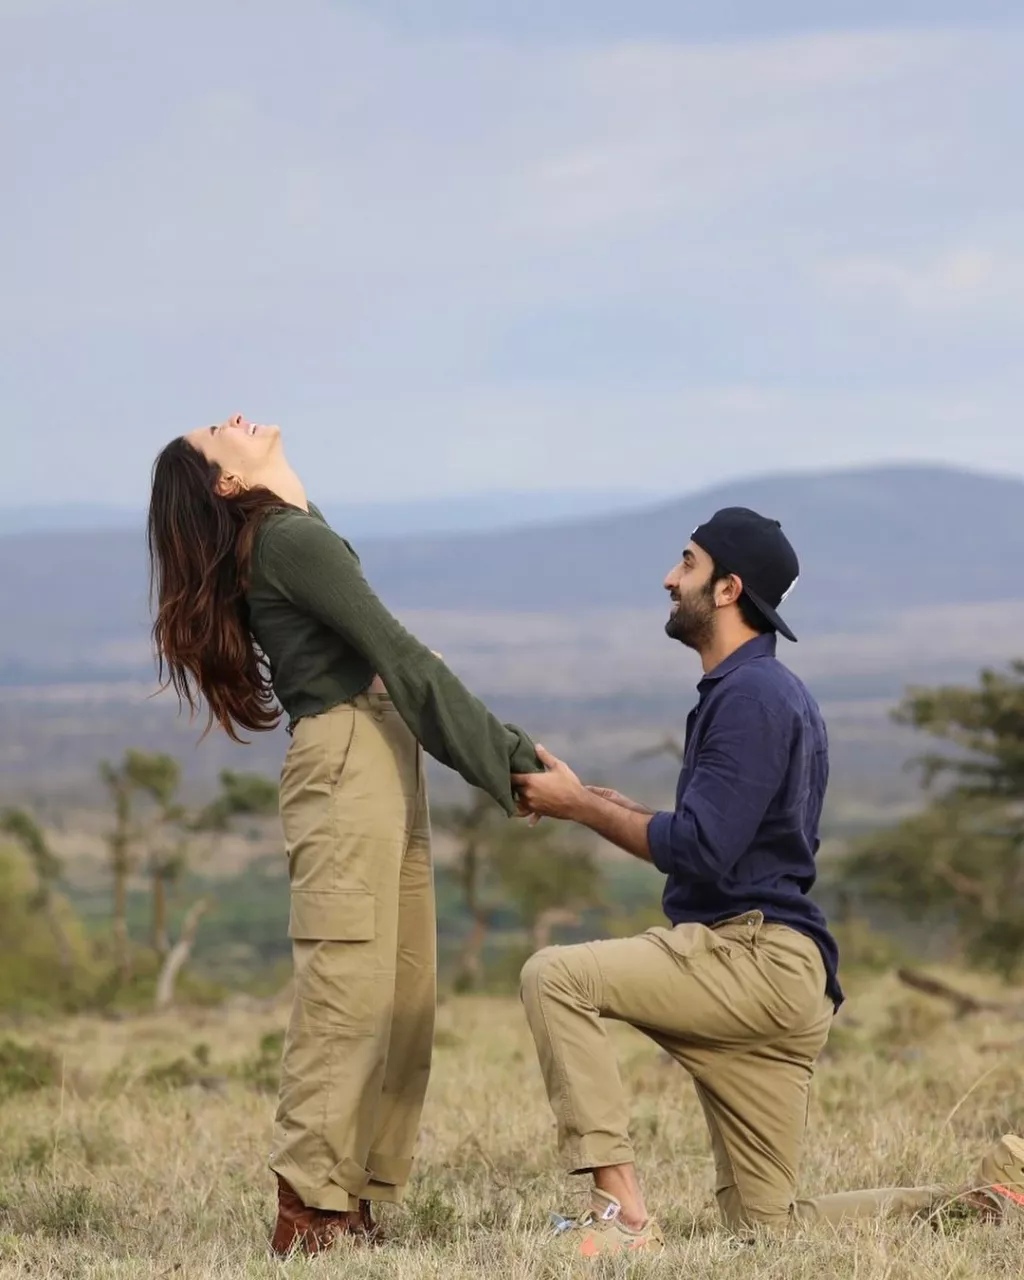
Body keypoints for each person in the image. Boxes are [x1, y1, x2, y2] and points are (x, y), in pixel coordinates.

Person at [513, 506, 1024, 1258]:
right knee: (768, 1232)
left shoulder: (751, 699)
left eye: (686, 563)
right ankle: (989, 1203)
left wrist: (581, 808)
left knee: (555, 977)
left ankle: (619, 1218)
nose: (668, 577)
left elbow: (701, 848)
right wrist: (596, 802)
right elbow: (726, 837)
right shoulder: (762, 692)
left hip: (751, 963)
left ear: (728, 588)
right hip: (783, 977)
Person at [147, 413, 542, 1256]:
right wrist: (511, 762)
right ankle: (308, 1210)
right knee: (347, 993)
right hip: (348, 752)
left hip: (381, 746)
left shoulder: (296, 530)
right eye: (217, 433)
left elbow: (397, 672)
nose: (234, 419)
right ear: (227, 483)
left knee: (401, 992)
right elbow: (406, 657)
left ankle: (354, 1196)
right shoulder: (290, 541)